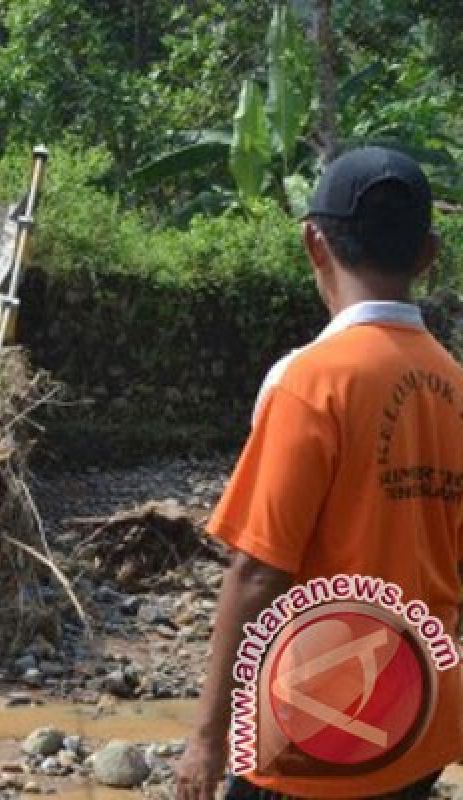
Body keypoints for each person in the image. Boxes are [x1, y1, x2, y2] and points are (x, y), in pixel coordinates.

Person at [175, 147, 463, 799]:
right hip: (424, 718)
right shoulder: (455, 387)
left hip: (318, 727)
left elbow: (257, 572)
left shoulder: (310, 382)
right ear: (427, 255)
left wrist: (207, 738)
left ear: (313, 243)